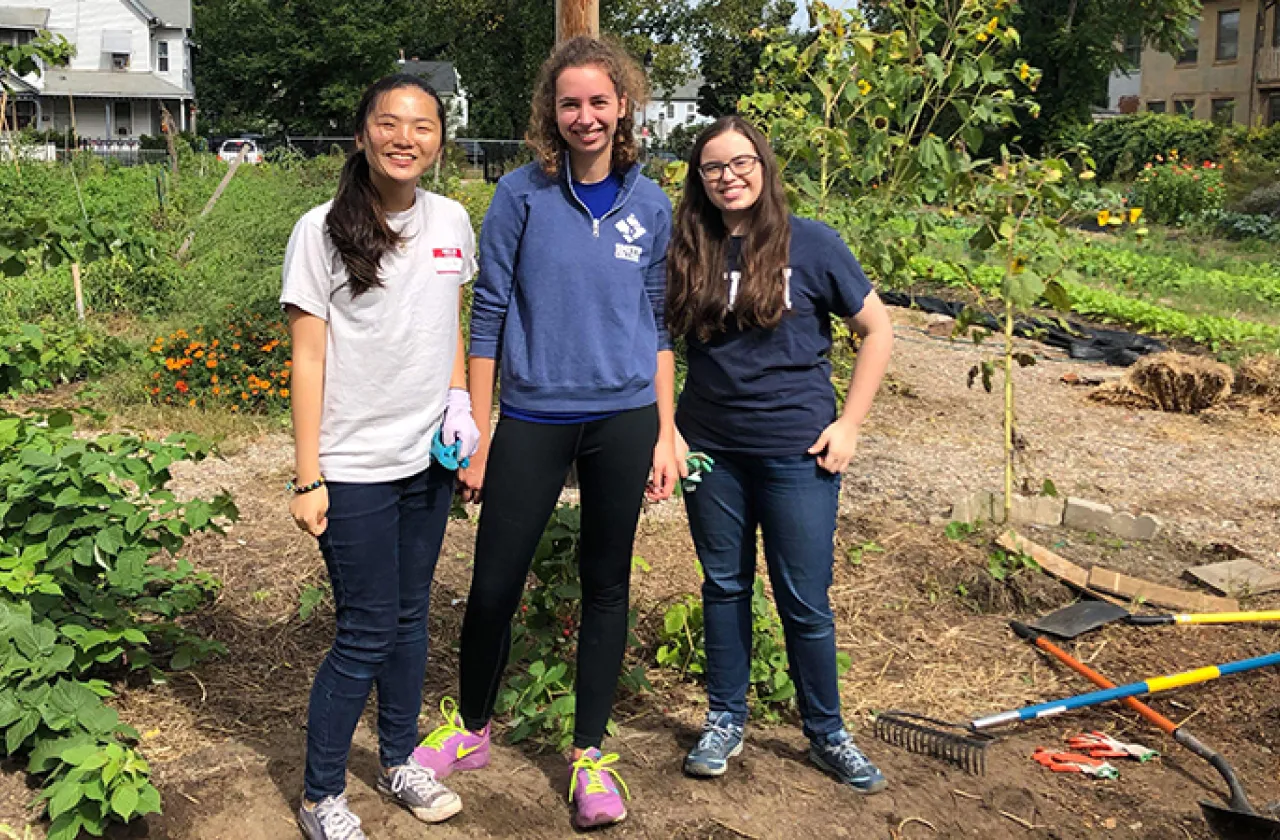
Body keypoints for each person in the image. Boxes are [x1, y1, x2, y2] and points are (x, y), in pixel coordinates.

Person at [411, 36, 678, 830]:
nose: (585, 116)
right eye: (570, 103)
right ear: (550, 113)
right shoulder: (521, 197)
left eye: (599, 101)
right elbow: (487, 314)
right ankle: (472, 726)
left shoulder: (651, 203)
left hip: (624, 416)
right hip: (531, 415)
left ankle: (590, 754)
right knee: (494, 580)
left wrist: (667, 430)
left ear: (622, 106)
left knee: (607, 583)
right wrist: (484, 432)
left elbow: (660, 323)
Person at [665, 115, 895, 793]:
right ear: (699, 180)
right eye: (713, 168)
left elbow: (877, 329)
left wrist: (850, 424)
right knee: (725, 587)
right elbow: (658, 343)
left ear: (763, 167)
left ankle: (827, 732)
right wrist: (667, 431)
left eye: (740, 164)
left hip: (799, 453)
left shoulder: (814, 244)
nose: (728, 177)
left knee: (804, 599)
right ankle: (725, 719)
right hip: (712, 452)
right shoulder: (689, 249)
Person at [282, 74, 481, 840]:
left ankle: (400, 759)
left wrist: (461, 404)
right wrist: (309, 475)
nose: (406, 138)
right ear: (362, 134)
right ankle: (321, 794)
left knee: (408, 618)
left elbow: (449, 326)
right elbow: (307, 360)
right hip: (354, 464)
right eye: (390, 123)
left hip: (425, 461)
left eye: (422, 125)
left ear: (439, 138)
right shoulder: (320, 229)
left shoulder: (453, 220)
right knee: (364, 629)